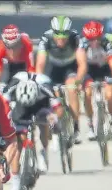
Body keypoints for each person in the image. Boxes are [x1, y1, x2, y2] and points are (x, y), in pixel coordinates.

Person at [2, 71, 63, 190]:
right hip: (21, 105)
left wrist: (55, 122)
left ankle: (43, 153)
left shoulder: (46, 86)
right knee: (17, 142)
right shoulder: (14, 83)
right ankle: (16, 183)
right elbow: (3, 104)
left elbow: (58, 108)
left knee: (45, 122)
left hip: (41, 105)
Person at [36, 16, 86, 144]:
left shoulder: (75, 38)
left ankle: (76, 127)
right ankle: (57, 123)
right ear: (53, 32)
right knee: (54, 96)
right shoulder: (46, 38)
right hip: (54, 69)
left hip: (71, 68)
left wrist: (78, 81)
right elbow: (40, 64)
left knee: (72, 89)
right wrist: (39, 83)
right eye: (57, 34)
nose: (61, 38)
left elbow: (82, 64)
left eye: (64, 34)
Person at [76, 21, 112, 141]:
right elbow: (81, 64)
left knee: (109, 95)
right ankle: (91, 124)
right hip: (90, 70)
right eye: (91, 39)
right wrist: (79, 81)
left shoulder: (106, 42)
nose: (95, 41)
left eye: (97, 38)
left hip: (105, 69)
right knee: (87, 94)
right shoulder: (82, 44)